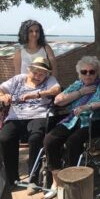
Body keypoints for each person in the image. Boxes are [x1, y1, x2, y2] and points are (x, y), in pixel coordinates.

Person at [43, 56, 100, 198]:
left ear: (97, 72)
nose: (88, 74)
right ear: (79, 73)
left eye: (92, 71)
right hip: (72, 120)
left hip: (93, 122)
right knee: (49, 140)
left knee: (72, 142)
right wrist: (81, 93)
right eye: (84, 71)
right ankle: (56, 181)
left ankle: (72, 182)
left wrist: (89, 106)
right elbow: (58, 100)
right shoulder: (77, 84)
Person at [0, 57, 60, 191]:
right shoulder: (18, 79)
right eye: (35, 73)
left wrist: (37, 94)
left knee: (36, 137)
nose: (38, 76)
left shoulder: (50, 80)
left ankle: (33, 179)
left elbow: (57, 90)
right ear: (29, 70)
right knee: (4, 138)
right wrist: (3, 97)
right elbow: (1, 90)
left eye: (42, 74)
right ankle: (12, 178)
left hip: (38, 115)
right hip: (16, 116)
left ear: (47, 74)